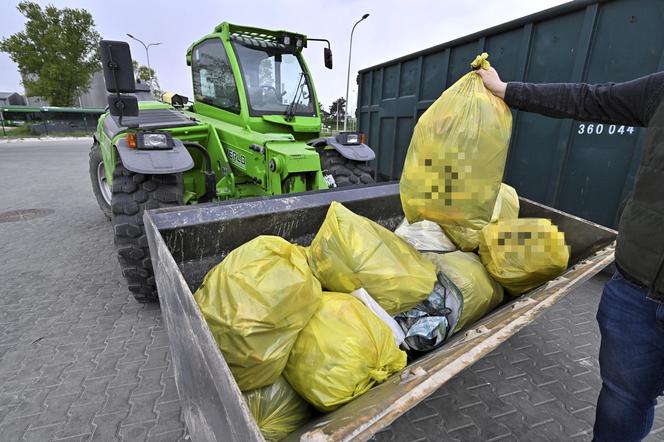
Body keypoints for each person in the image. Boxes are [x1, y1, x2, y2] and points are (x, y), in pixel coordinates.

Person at [476, 67, 664, 442]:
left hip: (637, 288)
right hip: (637, 289)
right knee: (623, 401)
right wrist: (506, 89)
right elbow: (589, 98)